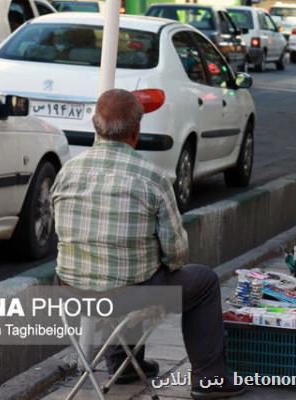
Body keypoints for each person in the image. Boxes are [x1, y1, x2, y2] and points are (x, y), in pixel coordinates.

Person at [51, 89, 246, 400]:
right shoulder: (152, 177)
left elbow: (59, 229)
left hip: (70, 294)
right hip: (128, 297)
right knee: (201, 282)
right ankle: (209, 379)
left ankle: (122, 364)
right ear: (136, 130)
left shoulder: (67, 172)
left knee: (124, 272)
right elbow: (177, 252)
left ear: (95, 125)